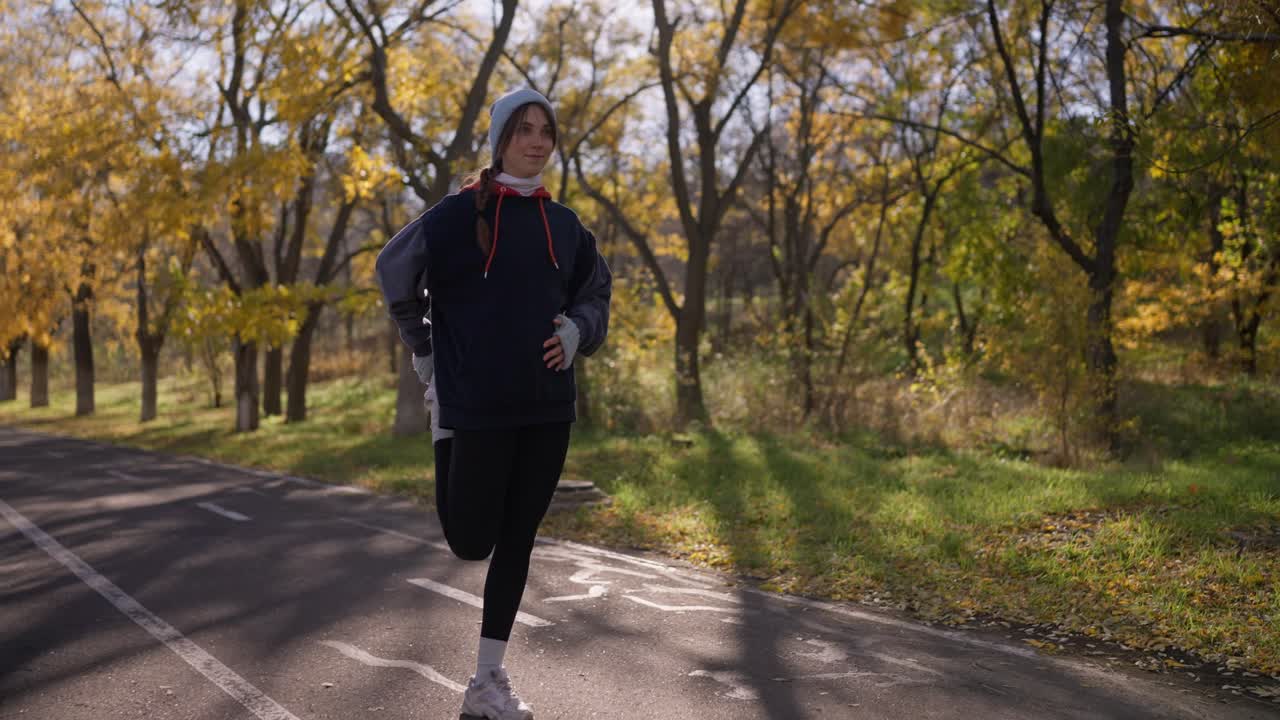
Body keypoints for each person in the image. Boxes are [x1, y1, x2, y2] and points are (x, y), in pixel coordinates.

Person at [375, 87, 612, 720]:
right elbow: (394, 273)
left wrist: (575, 331)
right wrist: (425, 352)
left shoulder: (565, 226)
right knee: (470, 541)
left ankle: (486, 681)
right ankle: (440, 427)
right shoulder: (453, 217)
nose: (537, 140)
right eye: (524, 129)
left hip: (546, 406)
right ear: (501, 138)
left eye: (546, 130)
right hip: (474, 405)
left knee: (517, 542)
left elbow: (596, 293)